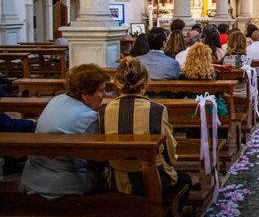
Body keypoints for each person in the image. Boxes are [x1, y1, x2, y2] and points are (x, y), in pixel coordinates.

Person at [99, 57, 192, 210]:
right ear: (145, 82)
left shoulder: (104, 111)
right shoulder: (157, 110)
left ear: (117, 82)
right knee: (186, 180)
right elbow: (169, 153)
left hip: (118, 181)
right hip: (154, 180)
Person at [20, 64, 110, 199]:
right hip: (66, 183)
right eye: (101, 90)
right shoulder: (88, 117)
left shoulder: (56, 100)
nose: (105, 94)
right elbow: (97, 157)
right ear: (85, 94)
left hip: (31, 177)